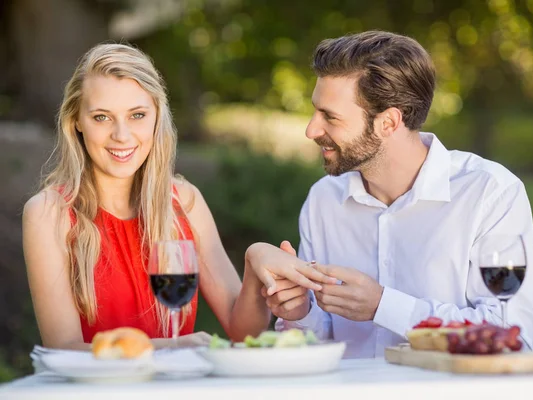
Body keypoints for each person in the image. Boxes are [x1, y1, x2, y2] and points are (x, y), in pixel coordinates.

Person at [22, 43, 331, 350]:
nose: (122, 135)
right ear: (76, 121)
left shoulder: (184, 201)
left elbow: (242, 331)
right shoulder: (49, 214)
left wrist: (255, 264)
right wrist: (169, 348)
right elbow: (62, 348)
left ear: (157, 117)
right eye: (102, 117)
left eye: (137, 115)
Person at [264, 30, 533, 358]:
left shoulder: (489, 193)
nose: (311, 130)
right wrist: (300, 314)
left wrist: (384, 306)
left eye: (330, 117)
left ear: (389, 122)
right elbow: (322, 343)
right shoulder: (323, 200)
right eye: (315, 111)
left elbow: (514, 338)